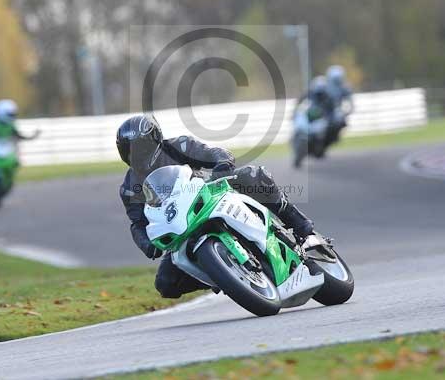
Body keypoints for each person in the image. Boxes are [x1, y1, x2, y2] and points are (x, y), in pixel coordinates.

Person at [116, 114, 315, 299]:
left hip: (208, 196)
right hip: (180, 227)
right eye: (129, 150)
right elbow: (138, 223)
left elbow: (214, 153)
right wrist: (147, 244)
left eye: (139, 148)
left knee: (251, 176)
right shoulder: (129, 188)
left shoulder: (179, 146)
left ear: (154, 140)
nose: (136, 154)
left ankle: (297, 222)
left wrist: (221, 164)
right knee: (166, 284)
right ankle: (221, 274)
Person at [324, 65, 354, 146]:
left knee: (341, 120)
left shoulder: (344, 88)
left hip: (334, 111)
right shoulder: (324, 86)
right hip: (323, 111)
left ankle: (334, 136)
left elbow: (350, 101)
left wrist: (349, 110)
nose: (336, 82)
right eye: (335, 79)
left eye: (338, 79)